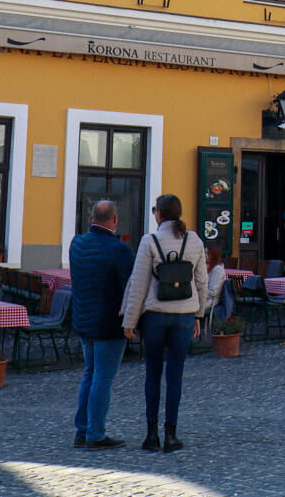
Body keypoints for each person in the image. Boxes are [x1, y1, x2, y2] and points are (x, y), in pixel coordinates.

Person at [122, 193, 207, 454]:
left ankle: (151, 435)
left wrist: (130, 321)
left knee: (153, 373)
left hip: (156, 316)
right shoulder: (194, 240)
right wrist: (199, 315)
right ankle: (171, 435)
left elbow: (138, 285)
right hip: (184, 316)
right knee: (176, 375)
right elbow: (202, 283)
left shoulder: (150, 241)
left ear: (158, 214)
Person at [68, 199, 134, 450]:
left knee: (90, 374)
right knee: (103, 378)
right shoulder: (119, 249)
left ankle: (82, 430)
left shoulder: (77, 243)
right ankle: (95, 433)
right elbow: (130, 287)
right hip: (108, 322)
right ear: (114, 220)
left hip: (83, 319)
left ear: (92, 217)